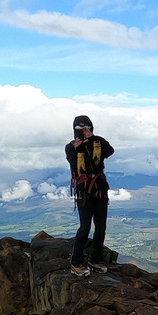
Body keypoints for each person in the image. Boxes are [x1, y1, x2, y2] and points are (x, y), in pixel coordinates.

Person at [65, 115, 115, 276]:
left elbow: (110, 151)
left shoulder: (98, 142)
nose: (83, 131)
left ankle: (96, 259)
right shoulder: (71, 147)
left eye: (86, 128)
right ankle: (76, 262)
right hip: (84, 191)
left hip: (100, 189)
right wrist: (80, 148)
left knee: (101, 227)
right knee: (85, 227)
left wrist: (92, 139)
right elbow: (76, 166)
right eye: (79, 129)